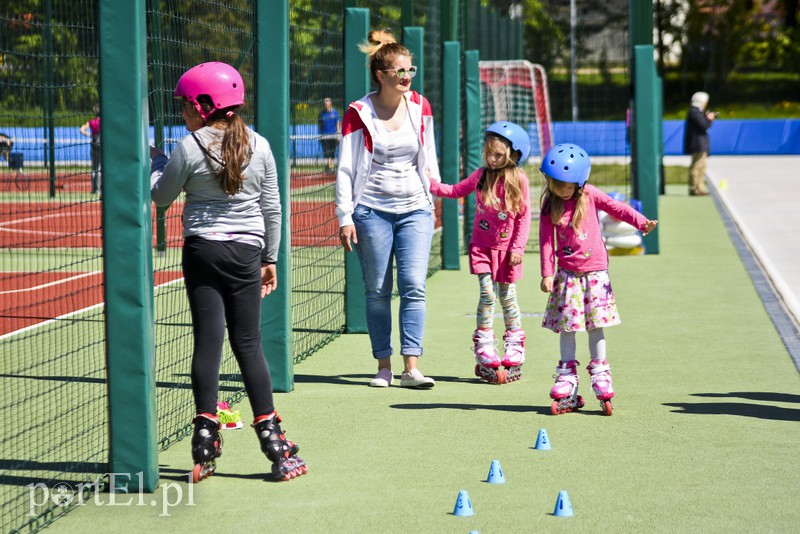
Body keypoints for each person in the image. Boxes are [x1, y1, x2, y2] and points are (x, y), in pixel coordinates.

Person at [149, 61, 307, 482]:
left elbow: (161, 197)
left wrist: (156, 166)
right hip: (246, 253)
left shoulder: (188, 147)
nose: (182, 112)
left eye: (185, 105)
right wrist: (270, 258)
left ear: (202, 107)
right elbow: (273, 209)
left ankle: (205, 436)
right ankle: (273, 440)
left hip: (202, 250)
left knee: (208, 341)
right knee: (249, 343)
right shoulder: (261, 145)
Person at [336, 29, 439, 389]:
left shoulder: (421, 106)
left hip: (416, 209)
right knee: (378, 291)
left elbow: (429, 156)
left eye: (411, 70)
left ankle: (412, 368)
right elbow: (346, 168)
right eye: (400, 71)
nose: (407, 77)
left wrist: (435, 196)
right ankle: (383, 366)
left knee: (414, 286)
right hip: (371, 211)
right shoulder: (358, 112)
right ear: (381, 75)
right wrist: (345, 216)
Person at [538, 143, 657, 416]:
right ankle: (567, 375)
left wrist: (641, 222)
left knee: (596, 326)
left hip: (595, 274)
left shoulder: (590, 195)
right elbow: (546, 241)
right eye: (556, 184)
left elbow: (617, 208)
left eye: (567, 185)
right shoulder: (549, 204)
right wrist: (546, 273)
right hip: (567, 275)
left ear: (580, 182)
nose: (561, 190)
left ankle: (600, 371)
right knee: (567, 327)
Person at [428, 121, 531, 384]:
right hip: (482, 248)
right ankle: (484, 343)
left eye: (499, 155)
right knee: (487, 294)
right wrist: (430, 184)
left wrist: (518, 247)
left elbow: (523, 217)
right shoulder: (481, 175)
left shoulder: (519, 179)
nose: (492, 159)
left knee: (507, 297)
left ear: (514, 155)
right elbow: (455, 191)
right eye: (489, 154)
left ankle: (515, 343)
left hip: (507, 252)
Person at [683, 91, 717, 196]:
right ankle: (694, 188)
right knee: (697, 166)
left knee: (702, 166)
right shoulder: (694, 112)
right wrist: (709, 119)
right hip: (698, 144)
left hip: (700, 144)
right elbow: (704, 125)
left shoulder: (698, 111)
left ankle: (700, 187)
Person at [80, 104, 102, 194]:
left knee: (94, 168)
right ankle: (99, 188)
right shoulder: (104, 121)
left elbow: (82, 129)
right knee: (100, 168)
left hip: (94, 144)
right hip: (102, 145)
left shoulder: (92, 122)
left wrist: (89, 135)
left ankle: (94, 189)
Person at [317, 97, 341, 174]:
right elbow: (320, 125)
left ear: (330, 103)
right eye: (325, 102)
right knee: (327, 151)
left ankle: (329, 166)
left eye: (327, 101)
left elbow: (338, 123)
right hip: (324, 135)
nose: (325, 103)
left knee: (332, 151)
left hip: (333, 135)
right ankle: (330, 166)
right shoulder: (322, 114)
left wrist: (338, 134)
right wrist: (320, 135)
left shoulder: (335, 112)